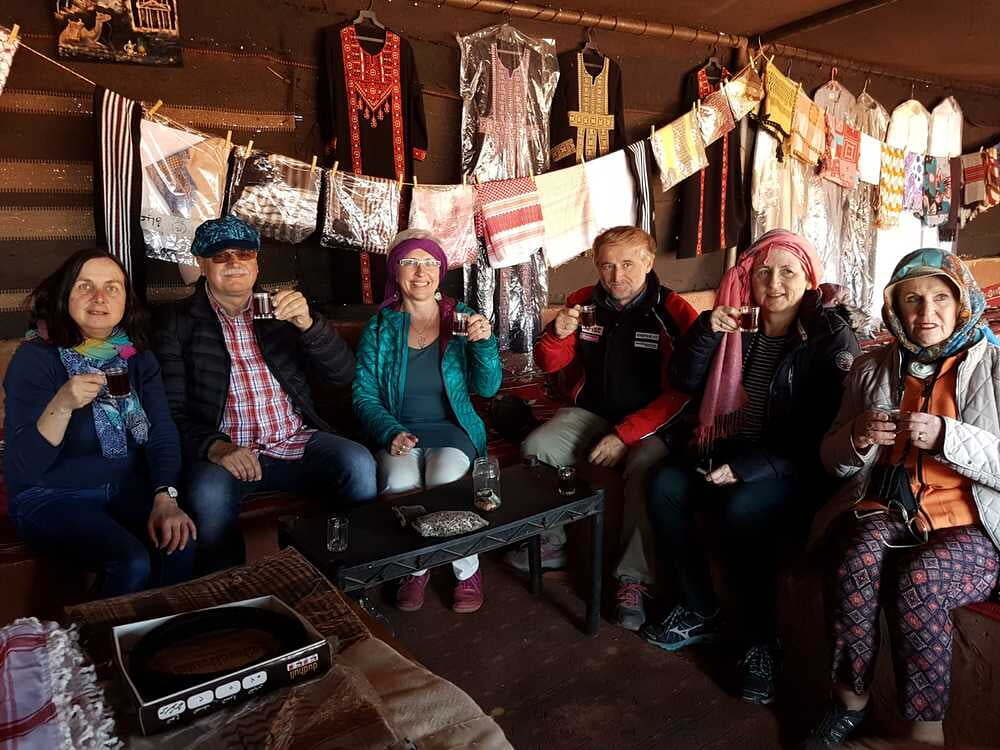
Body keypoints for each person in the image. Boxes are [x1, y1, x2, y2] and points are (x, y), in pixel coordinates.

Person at [641, 229, 860, 705]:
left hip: (793, 465)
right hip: (731, 450)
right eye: (763, 272)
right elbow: (683, 380)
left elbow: (824, 428)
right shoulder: (737, 321)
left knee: (742, 509)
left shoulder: (827, 335)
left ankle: (761, 642)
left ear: (809, 278)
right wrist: (707, 330)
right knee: (664, 485)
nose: (774, 283)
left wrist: (752, 468)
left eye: (788, 272)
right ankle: (700, 607)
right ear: (748, 279)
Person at [803, 249, 1000, 748]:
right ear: (894, 308)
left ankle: (925, 733)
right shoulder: (872, 367)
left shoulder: (995, 365)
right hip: (891, 510)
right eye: (912, 299)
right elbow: (832, 460)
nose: (926, 312)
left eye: (940, 298)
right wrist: (857, 436)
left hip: (976, 523)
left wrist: (949, 437)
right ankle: (849, 700)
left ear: (962, 302)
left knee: (922, 580)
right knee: (855, 558)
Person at [153, 216, 376, 573]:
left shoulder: (280, 309)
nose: (234, 263)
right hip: (227, 452)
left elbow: (342, 375)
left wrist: (309, 325)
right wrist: (215, 446)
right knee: (207, 494)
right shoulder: (177, 322)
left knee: (359, 463)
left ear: (256, 262)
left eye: (244, 254)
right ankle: (231, 588)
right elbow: (170, 409)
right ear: (201, 264)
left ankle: (350, 572)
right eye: (220, 256)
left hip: (293, 440)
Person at [511, 225, 699, 630]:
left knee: (644, 469)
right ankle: (553, 541)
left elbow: (685, 391)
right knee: (538, 446)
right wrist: (557, 335)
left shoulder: (674, 311)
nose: (616, 276)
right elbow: (549, 363)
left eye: (628, 264)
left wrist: (624, 435)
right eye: (607, 266)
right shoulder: (583, 302)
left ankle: (633, 580)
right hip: (592, 413)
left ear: (649, 262)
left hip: (652, 423)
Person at [3, 249, 196, 596]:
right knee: (131, 561)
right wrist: (63, 403)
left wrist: (165, 495)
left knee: (178, 540)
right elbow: (24, 466)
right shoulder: (36, 358)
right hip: (51, 495)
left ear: (126, 301)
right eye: (84, 286)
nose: (99, 297)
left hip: (123, 488)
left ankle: (155, 626)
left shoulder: (135, 356)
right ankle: (96, 631)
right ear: (64, 295)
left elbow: (161, 431)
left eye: (112, 287)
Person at [353, 230, 502, 614]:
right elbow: (364, 395)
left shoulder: (462, 317)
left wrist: (484, 344)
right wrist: (389, 431)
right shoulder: (380, 327)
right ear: (395, 269)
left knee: (445, 478)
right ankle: (415, 568)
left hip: (451, 429)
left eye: (430, 262)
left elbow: (487, 388)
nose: (421, 272)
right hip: (398, 429)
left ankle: (466, 570)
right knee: (399, 481)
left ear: (441, 270)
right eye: (410, 262)